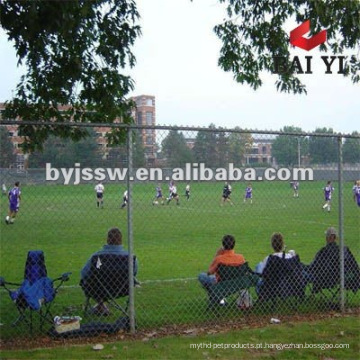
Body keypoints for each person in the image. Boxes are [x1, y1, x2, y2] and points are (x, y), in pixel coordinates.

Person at [80, 227, 138, 316]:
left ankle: (100, 304)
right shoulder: (130, 257)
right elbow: (134, 272)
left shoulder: (97, 256)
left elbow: (84, 273)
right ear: (121, 240)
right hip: (122, 289)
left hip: (97, 289)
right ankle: (101, 306)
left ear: (107, 239)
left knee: (88, 281)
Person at [304, 227, 360, 293]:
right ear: (336, 238)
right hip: (340, 277)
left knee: (301, 270)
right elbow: (354, 265)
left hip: (325, 279)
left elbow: (314, 266)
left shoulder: (324, 251)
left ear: (327, 238)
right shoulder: (344, 249)